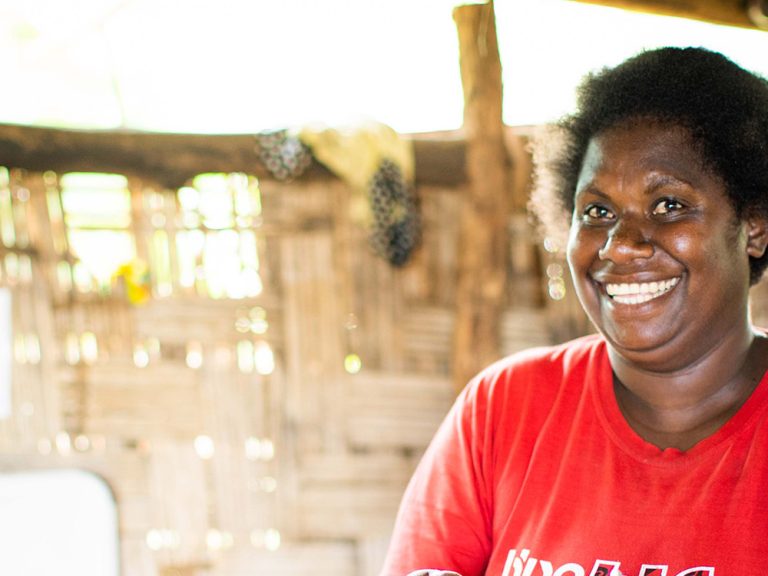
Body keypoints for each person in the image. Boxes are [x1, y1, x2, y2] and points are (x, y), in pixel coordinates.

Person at [380, 46, 768, 576]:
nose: (619, 244)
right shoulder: (503, 409)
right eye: (597, 211)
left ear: (754, 226)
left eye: (669, 205)